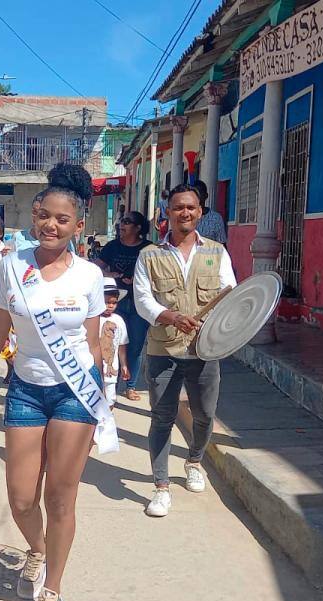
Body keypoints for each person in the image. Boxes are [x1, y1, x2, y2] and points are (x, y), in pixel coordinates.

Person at [0, 162, 113, 601]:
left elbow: (90, 343)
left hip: (72, 395)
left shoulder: (88, 276)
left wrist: (102, 398)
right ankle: (38, 551)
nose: (50, 225)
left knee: (60, 497)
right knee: (22, 499)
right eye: (43, 215)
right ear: (34, 215)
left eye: (62, 219)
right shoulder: (12, 266)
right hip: (24, 390)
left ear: (79, 225)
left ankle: (54, 589)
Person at [134, 184, 237, 518]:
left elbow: (229, 293)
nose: (185, 213)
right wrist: (170, 316)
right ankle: (161, 487)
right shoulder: (150, 255)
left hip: (204, 351)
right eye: (178, 207)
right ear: (168, 211)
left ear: (200, 212)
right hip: (163, 349)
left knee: (205, 416)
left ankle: (194, 461)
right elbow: (142, 299)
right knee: (162, 417)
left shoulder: (217, 253)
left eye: (191, 208)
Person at [96, 210, 152, 401]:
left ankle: (131, 385)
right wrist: (110, 275)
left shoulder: (149, 248)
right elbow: (96, 267)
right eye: (121, 221)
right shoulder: (112, 247)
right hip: (114, 302)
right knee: (112, 342)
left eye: (127, 222)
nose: (122, 224)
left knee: (135, 345)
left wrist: (139, 279)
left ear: (138, 228)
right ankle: (110, 382)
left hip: (139, 304)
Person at [98, 279, 130, 405]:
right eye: (106, 302)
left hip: (111, 369)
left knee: (110, 400)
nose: (110, 306)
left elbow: (122, 345)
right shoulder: (91, 319)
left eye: (114, 303)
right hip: (93, 369)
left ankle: (107, 422)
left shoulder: (119, 320)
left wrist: (124, 365)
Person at [194, 180, 228, 244]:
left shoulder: (216, 218)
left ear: (206, 196)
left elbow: (221, 244)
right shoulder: (186, 217)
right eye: (194, 194)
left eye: (199, 193)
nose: (197, 197)